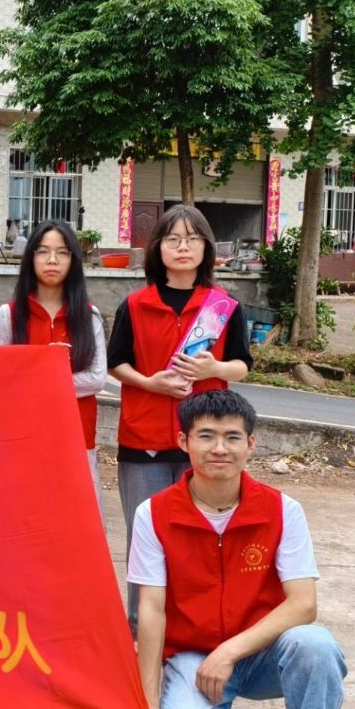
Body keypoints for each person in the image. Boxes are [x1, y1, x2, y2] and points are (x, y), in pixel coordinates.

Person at [131, 391, 347, 709]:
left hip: (264, 654)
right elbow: (151, 610)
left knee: (317, 646)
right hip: (193, 655)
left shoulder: (282, 510)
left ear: (251, 444)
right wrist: (148, 701)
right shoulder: (154, 514)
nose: (219, 448)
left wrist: (229, 651)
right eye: (206, 436)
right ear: (183, 442)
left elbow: (303, 605)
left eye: (232, 437)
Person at [107, 204, 251, 632]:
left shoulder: (223, 306)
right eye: (173, 239)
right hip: (144, 439)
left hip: (207, 442)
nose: (182, 247)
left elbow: (243, 364)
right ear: (158, 248)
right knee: (145, 536)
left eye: (192, 239)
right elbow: (116, 363)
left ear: (207, 248)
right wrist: (149, 383)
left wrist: (215, 369)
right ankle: (141, 628)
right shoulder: (136, 305)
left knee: (204, 536)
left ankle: (196, 628)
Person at [0, 220, 106, 495]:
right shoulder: (9, 315)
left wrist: (41, 379)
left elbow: (97, 378)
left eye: (62, 252)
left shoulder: (89, 316)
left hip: (76, 437)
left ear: (73, 260)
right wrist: (50, 374)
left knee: (79, 513)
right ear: (31, 257)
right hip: (21, 437)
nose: (52, 260)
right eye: (43, 251)